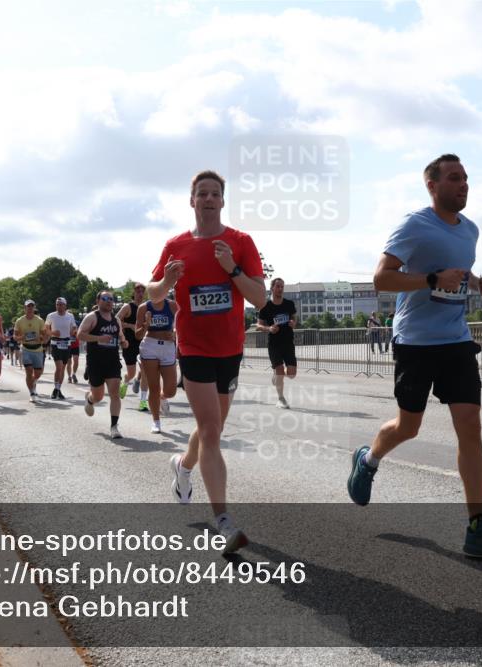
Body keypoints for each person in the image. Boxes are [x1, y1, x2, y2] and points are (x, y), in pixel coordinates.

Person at [346, 153, 482, 559]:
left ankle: (477, 527)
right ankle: (369, 458)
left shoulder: (471, 230)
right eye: (454, 178)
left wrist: (479, 283)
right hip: (415, 342)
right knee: (409, 427)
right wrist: (430, 279)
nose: (463, 185)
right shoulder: (415, 225)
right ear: (433, 186)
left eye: (466, 178)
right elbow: (381, 278)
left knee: (470, 424)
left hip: (456, 340)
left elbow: (457, 271)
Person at [150, 169, 266, 555]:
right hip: (195, 348)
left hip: (229, 350)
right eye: (202, 193)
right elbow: (151, 294)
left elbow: (261, 299)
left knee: (211, 426)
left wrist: (232, 267)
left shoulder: (240, 242)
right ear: (192, 200)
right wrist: (166, 281)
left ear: (222, 200)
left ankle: (183, 466)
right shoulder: (175, 246)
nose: (209, 199)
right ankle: (223, 521)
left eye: (216, 193)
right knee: (212, 430)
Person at [78, 291, 129, 439]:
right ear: (98, 300)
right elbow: (80, 335)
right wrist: (99, 338)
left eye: (111, 299)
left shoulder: (116, 320)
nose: (109, 301)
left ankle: (114, 427)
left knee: (115, 394)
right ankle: (90, 399)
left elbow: (121, 337)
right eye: (105, 299)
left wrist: (124, 342)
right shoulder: (92, 317)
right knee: (99, 397)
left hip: (112, 361)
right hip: (96, 362)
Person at [136, 289, 178, 433]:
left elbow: (181, 325)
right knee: (153, 387)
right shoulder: (143, 308)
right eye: (153, 291)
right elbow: (137, 335)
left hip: (167, 347)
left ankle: (163, 397)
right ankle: (156, 421)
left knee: (171, 390)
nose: (157, 294)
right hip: (150, 346)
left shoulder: (172, 306)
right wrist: (146, 324)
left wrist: (174, 334)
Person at [256, 277, 297, 409]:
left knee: (291, 374)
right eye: (278, 286)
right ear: (272, 288)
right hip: (274, 344)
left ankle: (276, 374)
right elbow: (258, 325)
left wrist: (293, 323)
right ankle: (281, 398)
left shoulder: (289, 304)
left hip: (288, 342)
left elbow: (294, 318)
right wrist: (269, 328)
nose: (280, 289)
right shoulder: (265, 306)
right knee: (280, 371)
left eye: (282, 287)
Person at [117, 283, 146, 399]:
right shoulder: (128, 307)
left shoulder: (145, 307)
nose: (140, 293)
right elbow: (116, 319)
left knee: (145, 368)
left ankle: (139, 385)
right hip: (129, 343)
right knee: (131, 372)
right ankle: (126, 382)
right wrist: (129, 325)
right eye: (138, 291)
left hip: (143, 342)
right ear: (133, 293)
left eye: (142, 291)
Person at [14, 300, 46, 402]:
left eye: (32, 306)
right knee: (28, 371)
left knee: (38, 373)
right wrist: (21, 337)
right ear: (25, 308)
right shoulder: (19, 321)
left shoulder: (40, 320)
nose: (30, 308)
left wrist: (39, 337)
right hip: (26, 348)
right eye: (28, 306)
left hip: (38, 349)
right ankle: (32, 393)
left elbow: (45, 335)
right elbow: (14, 336)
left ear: (34, 308)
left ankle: (34, 382)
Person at [45, 297, 78, 399]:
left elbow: (74, 327)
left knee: (63, 368)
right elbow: (45, 329)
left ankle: (57, 390)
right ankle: (56, 388)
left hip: (67, 343)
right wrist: (52, 332)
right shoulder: (51, 316)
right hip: (56, 343)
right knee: (58, 367)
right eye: (57, 304)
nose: (59, 306)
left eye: (61, 304)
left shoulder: (70, 316)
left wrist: (74, 330)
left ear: (65, 305)